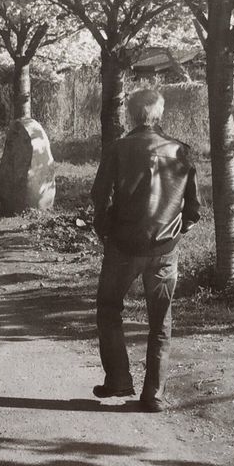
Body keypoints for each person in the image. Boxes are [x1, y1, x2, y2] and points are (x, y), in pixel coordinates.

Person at [89, 88, 200, 413]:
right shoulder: (181, 151)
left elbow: (100, 196)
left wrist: (105, 230)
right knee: (160, 320)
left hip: (123, 244)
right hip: (165, 247)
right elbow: (193, 209)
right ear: (159, 114)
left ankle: (119, 378)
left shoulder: (118, 149)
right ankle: (154, 394)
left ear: (129, 114)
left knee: (109, 308)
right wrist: (176, 233)